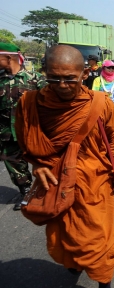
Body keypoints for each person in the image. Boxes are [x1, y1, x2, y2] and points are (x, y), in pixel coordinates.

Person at [15, 45, 114, 288]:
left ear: (84, 74)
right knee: (63, 234)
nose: (62, 85)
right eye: (53, 79)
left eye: (70, 78)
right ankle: (76, 258)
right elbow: (23, 139)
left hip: (95, 182)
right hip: (55, 182)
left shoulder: (100, 103)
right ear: (44, 74)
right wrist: (38, 165)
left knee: (99, 238)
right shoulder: (29, 103)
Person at [0, 42, 46, 210]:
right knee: (13, 162)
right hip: (7, 132)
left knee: (42, 162)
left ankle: (47, 190)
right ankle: (26, 191)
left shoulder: (35, 79)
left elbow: (49, 105)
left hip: (32, 131)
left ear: (7, 57)